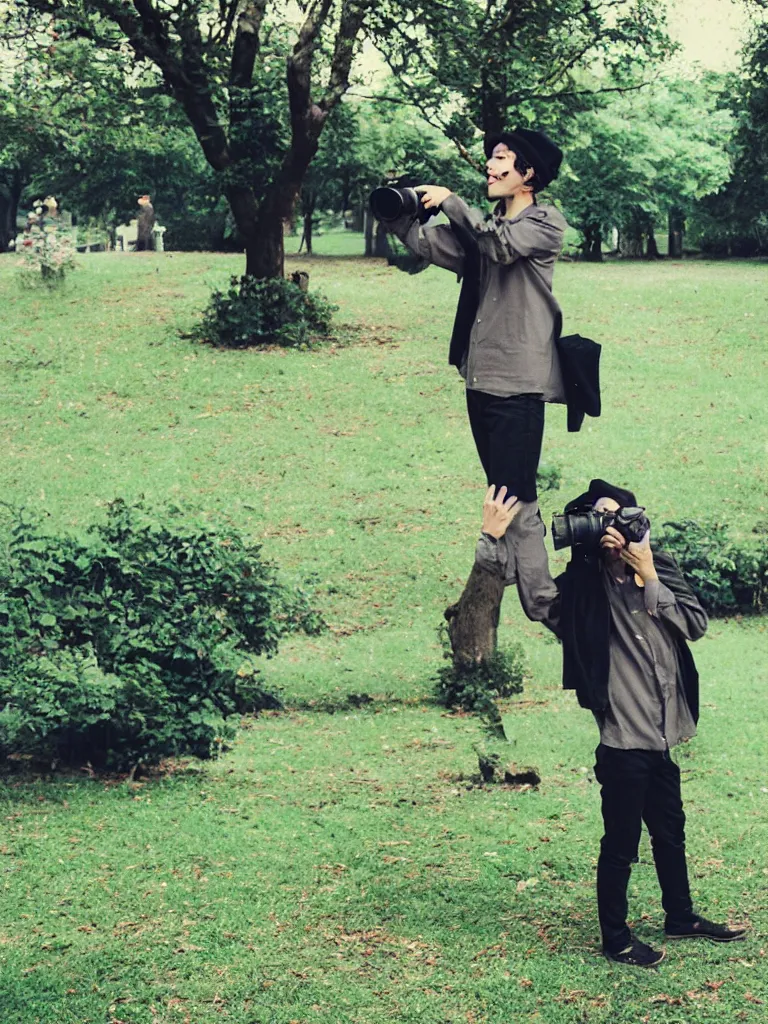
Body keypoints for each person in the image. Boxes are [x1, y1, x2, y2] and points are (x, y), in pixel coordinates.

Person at [478, 479, 748, 967]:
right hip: (623, 742)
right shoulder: (582, 593)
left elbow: (695, 625)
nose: (612, 526)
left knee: (670, 831)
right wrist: (503, 534)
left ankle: (681, 916)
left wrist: (647, 573)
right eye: (600, 517)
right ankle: (616, 939)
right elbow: (538, 599)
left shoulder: (657, 567)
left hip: (662, 737)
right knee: (621, 843)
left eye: (618, 514)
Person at [384, 129, 567, 630]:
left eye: (501, 159)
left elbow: (500, 246)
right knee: (502, 491)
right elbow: (432, 246)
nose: (490, 165)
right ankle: (513, 577)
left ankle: (546, 603)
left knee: (515, 497)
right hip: (481, 381)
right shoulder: (481, 230)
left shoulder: (545, 223)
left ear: (527, 174)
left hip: (519, 384)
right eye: (490, 158)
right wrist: (401, 212)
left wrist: (451, 202)